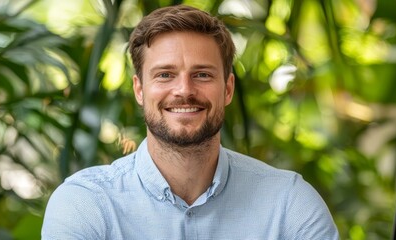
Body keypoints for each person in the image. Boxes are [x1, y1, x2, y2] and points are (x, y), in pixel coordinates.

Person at [42, 5, 339, 239]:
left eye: (202, 75)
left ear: (228, 89)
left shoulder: (288, 203)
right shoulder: (87, 204)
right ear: (139, 90)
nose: (184, 90)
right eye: (165, 75)